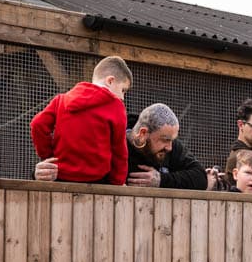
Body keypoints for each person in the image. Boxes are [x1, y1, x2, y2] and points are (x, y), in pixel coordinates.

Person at [34, 103, 209, 189]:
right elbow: (77, 173)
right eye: (164, 140)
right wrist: (42, 175)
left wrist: (161, 181)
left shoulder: (171, 147)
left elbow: (200, 178)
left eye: (172, 139)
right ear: (142, 133)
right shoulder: (110, 142)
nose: (170, 147)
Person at [30, 55, 131, 185]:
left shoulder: (61, 100)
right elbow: (120, 151)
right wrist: (117, 182)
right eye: (123, 90)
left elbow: (37, 124)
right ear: (110, 81)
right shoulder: (116, 106)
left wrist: (50, 158)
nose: (122, 97)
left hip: (62, 176)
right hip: (98, 180)